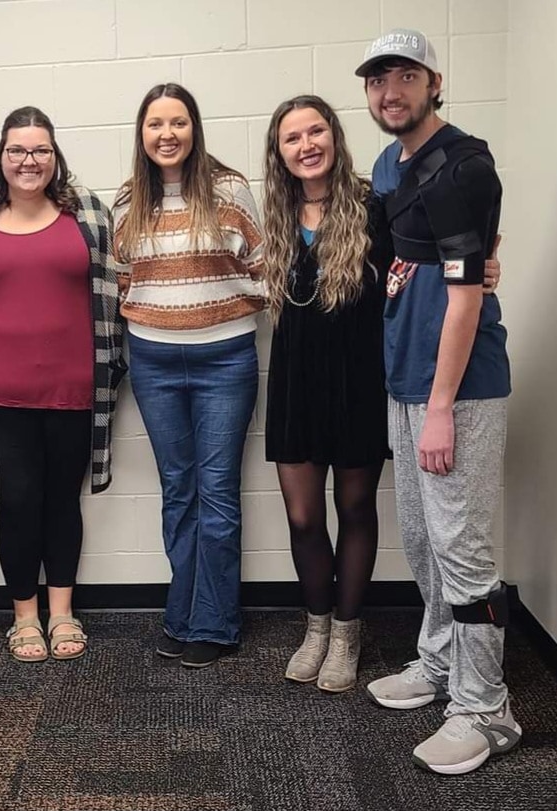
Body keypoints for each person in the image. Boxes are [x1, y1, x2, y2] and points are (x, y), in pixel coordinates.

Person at [356, 29, 520, 774]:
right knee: (422, 540)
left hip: (456, 387)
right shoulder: (391, 162)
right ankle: (439, 663)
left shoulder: (462, 164)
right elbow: (437, 255)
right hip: (405, 376)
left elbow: (461, 300)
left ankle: (486, 710)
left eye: (404, 75)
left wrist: (443, 405)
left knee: (462, 550)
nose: (389, 91)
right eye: (377, 79)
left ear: (433, 80)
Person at [0, 107, 125, 663]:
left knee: (61, 503)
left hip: (76, 388)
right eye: (17, 150)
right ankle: (24, 616)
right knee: (18, 501)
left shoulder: (90, 214)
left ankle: (63, 611)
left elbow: (115, 293)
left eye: (40, 150)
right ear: (1, 157)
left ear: (55, 156)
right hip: (0, 395)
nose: (29, 160)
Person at [114, 83, 264, 669]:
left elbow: (262, 268)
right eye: (155, 124)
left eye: (178, 122)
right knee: (179, 491)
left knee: (218, 492)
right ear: (142, 134)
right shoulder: (129, 200)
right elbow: (125, 278)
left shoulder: (229, 191)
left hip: (224, 359)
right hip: (153, 362)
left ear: (194, 129)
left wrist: (211, 309)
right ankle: (182, 614)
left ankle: (216, 623)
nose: (167, 134)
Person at [262, 95, 393, 692]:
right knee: (303, 514)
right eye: (293, 138)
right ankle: (315, 629)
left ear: (335, 138)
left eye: (316, 132)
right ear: (280, 152)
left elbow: (418, 273)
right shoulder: (274, 215)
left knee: (355, 510)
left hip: (358, 380)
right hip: (295, 381)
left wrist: (484, 266)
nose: (306, 145)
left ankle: (347, 632)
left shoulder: (374, 207)